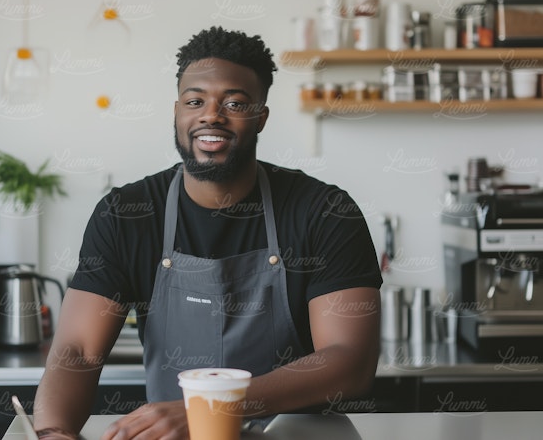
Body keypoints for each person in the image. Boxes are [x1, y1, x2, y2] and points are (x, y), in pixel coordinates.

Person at [33, 26, 382, 440]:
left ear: (261, 117)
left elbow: (350, 360)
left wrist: (214, 408)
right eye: (194, 101)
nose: (211, 115)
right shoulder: (126, 214)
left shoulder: (324, 211)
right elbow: (77, 349)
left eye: (234, 102)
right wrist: (53, 432)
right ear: (177, 112)